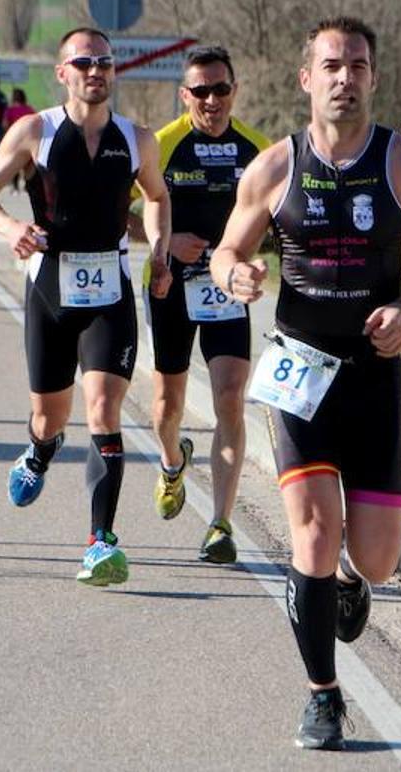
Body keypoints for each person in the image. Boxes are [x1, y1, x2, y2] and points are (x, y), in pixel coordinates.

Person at [209, 17, 401, 750]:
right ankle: (323, 695)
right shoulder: (275, 168)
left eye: (357, 64)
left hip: (375, 375)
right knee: (312, 533)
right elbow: (228, 247)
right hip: (300, 372)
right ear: (306, 78)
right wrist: (237, 273)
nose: (344, 76)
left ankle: (351, 581)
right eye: (331, 64)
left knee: (376, 558)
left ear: (374, 77)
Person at [0, 27, 172, 587]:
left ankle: (100, 542)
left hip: (110, 290)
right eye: (83, 63)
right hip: (50, 290)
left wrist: (157, 245)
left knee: (104, 410)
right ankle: (40, 450)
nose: (95, 71)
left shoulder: (137, 140)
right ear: (62, 73)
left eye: (104, 62)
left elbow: (156, 196)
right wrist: (12, 227)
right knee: (49, 415)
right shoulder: (35, 131)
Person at [147, 45, 270, 564]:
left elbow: (278, 219)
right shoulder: (162, 144)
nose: (212, 99)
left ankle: (220, 524)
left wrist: (256, 263)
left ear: (234, 90)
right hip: (169, 285)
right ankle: (173, 462)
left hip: (226, 290)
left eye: (221, 89)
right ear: (185, 95)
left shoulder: (258, 148)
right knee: (167, 408)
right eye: (201, 90)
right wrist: (165, 244)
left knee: (228, 398)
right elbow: (126, 214)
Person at [2, 88, 36, 192]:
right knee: (27, 164)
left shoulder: (10, 110)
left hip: (15, 140)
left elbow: (5, 124)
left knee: (14, 164)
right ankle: (27, 184)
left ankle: (15, 186)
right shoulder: (29, 109)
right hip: (29, 140)